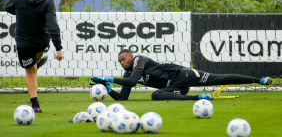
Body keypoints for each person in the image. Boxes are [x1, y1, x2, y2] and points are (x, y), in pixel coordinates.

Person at [91, 49, 272, 101]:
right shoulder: (128, 71)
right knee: (156, 95)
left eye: (124, 59)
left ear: (131, 56)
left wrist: (108, 78)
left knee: (219, 78)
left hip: (182, 74)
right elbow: (123, 97)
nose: (122, 63)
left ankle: (259, 80)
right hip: (175, 88)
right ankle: (198, 97)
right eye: (120, 62)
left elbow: (130, 81)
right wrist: (109, 90)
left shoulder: (140, 59)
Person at [5, 0, 63, 113]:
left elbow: (8, 7)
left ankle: (35, 105)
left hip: (24, 42)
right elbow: (53, 26)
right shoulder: (48, 1)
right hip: (42, 41)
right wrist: (59, 49)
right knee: (33, 67)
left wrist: (21, 11)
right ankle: (37, 62)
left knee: (30, 72)